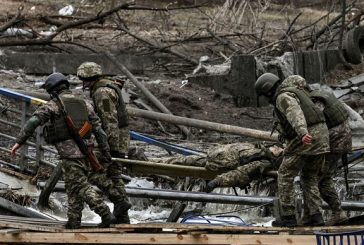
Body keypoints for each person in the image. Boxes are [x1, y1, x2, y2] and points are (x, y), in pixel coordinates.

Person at [10, 73, 115, 229]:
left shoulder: (54, 104)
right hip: (87, 152)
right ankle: (74, 221)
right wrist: (106, 152)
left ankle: (105, 213)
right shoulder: (84, 103)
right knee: (73, 187)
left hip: (70, 154)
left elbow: (34, 121)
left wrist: (19, 142)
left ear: (53, 90)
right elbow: (99, 130)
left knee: (80, 187)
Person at [255, 73, 330, 227]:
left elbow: (295, 113)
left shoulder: (283, 96)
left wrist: (302, 132)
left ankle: (289, 217)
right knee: (309, 176)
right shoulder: (296, 91)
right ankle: (316, 216)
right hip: (322, 135)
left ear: (268, 90)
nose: (266, 99)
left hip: (307, 136)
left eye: (264, 95)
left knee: (285, 174)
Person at [77, 62, 131, 224]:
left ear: (88, 79)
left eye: (83, 79)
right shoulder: (108, 86)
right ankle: (122, 217)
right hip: (119, 138)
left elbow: (109, 120)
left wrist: (111, 149)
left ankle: (119, 202)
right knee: (115, 175)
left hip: (114, 140)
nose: (82, 83)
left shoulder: (102, 93)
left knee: (91, 171)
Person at [307, 89, 351, 225]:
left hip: (334, 140)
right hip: (343, 137)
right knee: (324, 177)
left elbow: (316, 120)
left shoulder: (315, 101)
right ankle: (333, 212)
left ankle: (336, 212)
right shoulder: (322, 94)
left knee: (321, 178)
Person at [205, 144, 283, 193]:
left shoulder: (264, 162)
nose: (275, 147)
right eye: (275, 146)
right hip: (214, 154)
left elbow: (241, 173)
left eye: (279, 149)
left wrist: (217, 181)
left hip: (215, 161)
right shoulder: (257, 147)